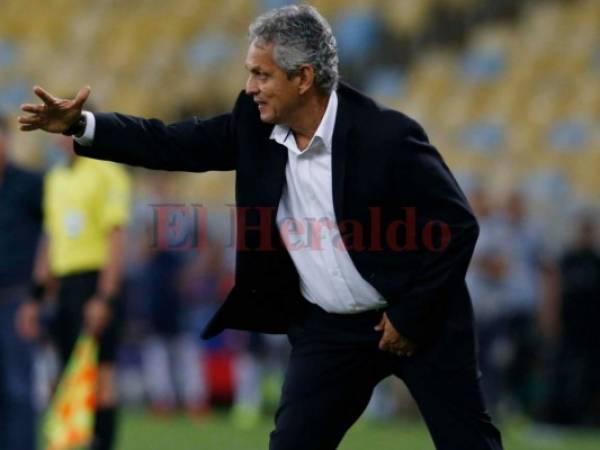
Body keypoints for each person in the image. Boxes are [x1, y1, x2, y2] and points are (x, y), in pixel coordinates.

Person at [18, 5, 503, 449]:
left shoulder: (387, 136)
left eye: (260, 74)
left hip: (415, 318)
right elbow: (170, 142)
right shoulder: (254, 124)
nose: (249, 86)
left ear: (303, 78)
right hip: (330, 328)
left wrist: (411, 316)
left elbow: (457, 227)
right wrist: (83, 125)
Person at [34, 131, 131, 450]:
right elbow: (50, 238)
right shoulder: (55, 178)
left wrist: (105, 297)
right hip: (65, 286)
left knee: (102, 377)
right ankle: (75, 439)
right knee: (66, 376)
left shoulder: (108, 173)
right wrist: (38, 295)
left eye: (67, 133)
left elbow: (115, 238)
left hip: (96, 281)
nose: (61, 142)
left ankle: (102, 442)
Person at [0, 113, 43, 450]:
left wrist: (36, 296)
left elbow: (53, 235)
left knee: (18, 387)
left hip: (17, 300)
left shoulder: (30, 184)